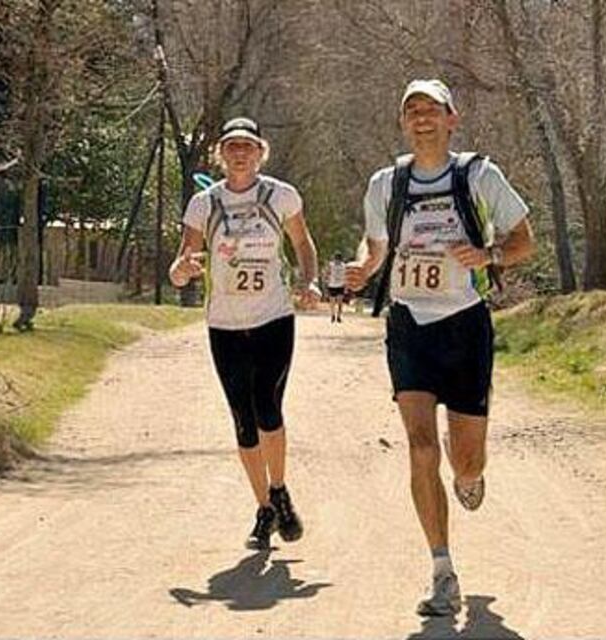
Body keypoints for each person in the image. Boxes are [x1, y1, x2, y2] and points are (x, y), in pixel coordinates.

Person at [344, 79, 534, 617]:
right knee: (421, 445)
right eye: (412, 111)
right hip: (410, 326)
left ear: (453, 118)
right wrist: (364, 266)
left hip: (465, 326)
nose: (422, 118)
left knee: (465, 460)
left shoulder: (478, 175)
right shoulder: (388, 183)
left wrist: (489, 254)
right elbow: (377, 245)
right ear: (403, 123)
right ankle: (442, 570)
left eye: (432, 109)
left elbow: (525, 241)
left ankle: (470, 475)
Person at [169, 116, 321, 550]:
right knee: (242, 420)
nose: (240, 153)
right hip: (225, 325)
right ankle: (265, 508)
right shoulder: (203, 204)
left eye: (248, 146)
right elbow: (184, 262)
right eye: (232, 146)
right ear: (220, 154)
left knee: (268, 407)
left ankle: (280, 488)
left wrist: (308, 281)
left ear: (261, 152)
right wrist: (182, 270)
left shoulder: (281, 196)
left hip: (273, 318)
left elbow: (303, 245)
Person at [325, 251, 346, 323]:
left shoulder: (331, 265)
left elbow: (327, 273)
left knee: (333, 303)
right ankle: (337, 316)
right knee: (339, 303)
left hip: (333, 285)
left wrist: (326, 280)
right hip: (338, 285)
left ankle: (334, 315)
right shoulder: (343, 265)